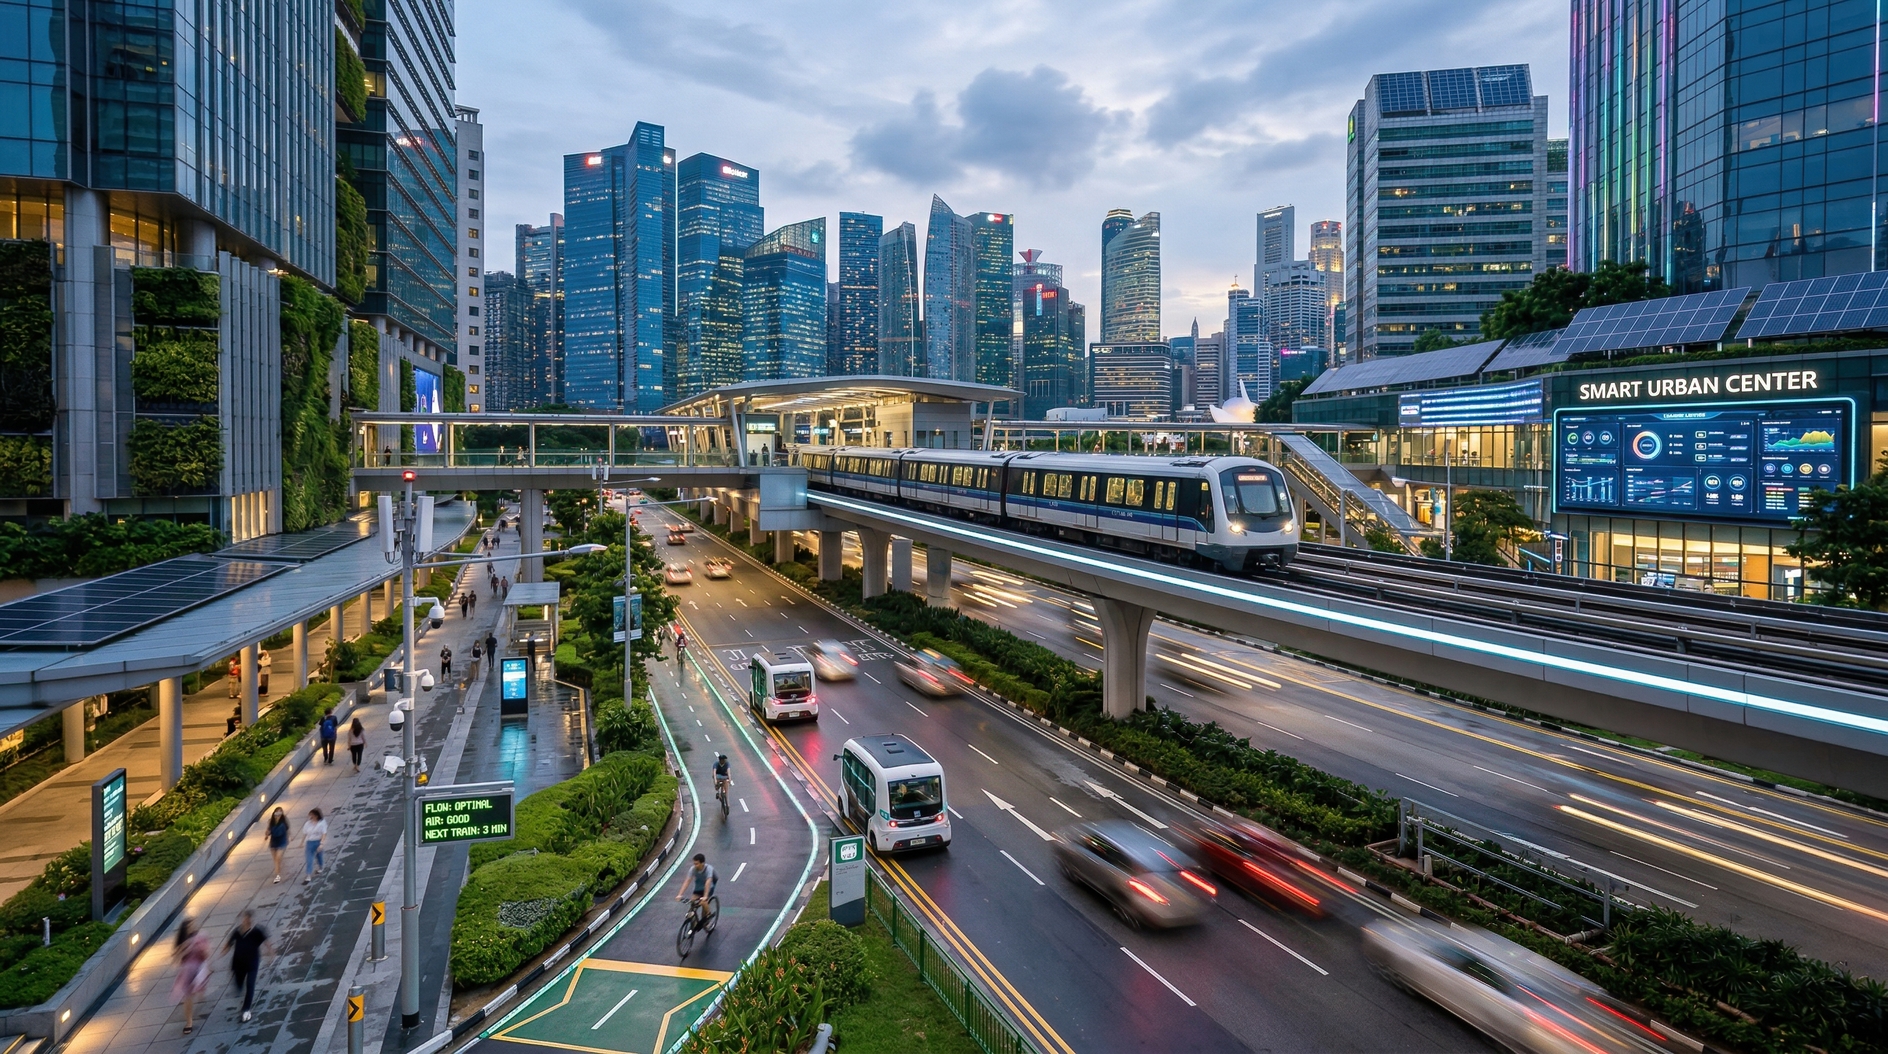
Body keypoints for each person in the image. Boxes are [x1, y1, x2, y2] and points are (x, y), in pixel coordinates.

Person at [222, 910, 272, 1022]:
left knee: (250, 984)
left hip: (252, 962)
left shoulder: (257, 931)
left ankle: (246, 1009)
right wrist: (223, 951)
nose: (246, 921)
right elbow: (228, 943)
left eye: (248, 919)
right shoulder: (237, 931)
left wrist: (271, 954)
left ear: (251, 920)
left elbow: (267, 942)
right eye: (244, 919)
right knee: (239, 984)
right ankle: (239, 987)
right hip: (238, 963)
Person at [171, 917, 211, 1035]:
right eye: (190, 925)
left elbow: (207, 954)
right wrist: (184, 948)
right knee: (187, 997)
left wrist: (201, 949)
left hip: (199, 969)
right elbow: (176, 959)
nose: (193, 927)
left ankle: (200, 992)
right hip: (187, 972)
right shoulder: (182, 941)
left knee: (197, 991)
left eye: (193, 924)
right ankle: (189, 1022)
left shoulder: (201, 936)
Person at [303, 808, 327, 884]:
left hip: (318, 841)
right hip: (310, 842)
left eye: (312, 815)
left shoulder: (322, 823)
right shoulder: (307, 823)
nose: (310, 816)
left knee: (319, 856)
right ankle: (308, 875)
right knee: (309, 859)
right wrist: (301, 842)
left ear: (316, 816)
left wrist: (321, 844)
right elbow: (305, 833)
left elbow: (324, 834)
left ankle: (321, 866)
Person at [267, 807, 290, 882]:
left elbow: (287, 829)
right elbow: (268, 830)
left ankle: (278, 875)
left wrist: (289, 837)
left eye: (280, 813)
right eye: (277, 813)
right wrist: (267, 835)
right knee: (276, 859)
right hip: (274, 841)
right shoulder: (271, 821)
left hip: (282, 841)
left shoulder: (283, 822)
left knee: (278, 857)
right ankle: (278, 869)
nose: (278, 814)